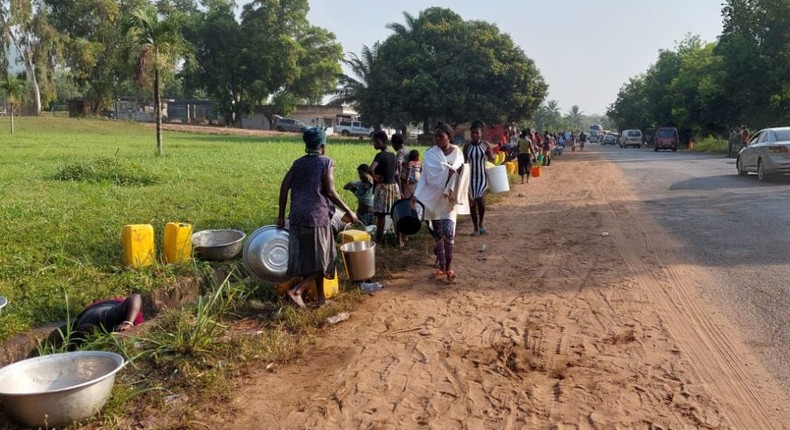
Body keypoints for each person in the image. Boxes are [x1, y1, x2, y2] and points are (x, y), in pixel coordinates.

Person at [276, 128, 358, 308]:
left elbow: (284, 187)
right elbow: (329, 191)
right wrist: (349, 211)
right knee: (324, 260)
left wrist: (281, 215)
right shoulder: (325, 162)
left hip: (297, 218)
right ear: (323, 146)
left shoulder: (298, 163)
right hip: (317, 218)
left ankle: (321, 299)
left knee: (312, 260)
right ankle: (297, 291)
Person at [414, 123, 465, 283]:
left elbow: (463, 172)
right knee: (438, 236)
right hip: (433, 198)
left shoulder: (457, 152)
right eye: (435, 136)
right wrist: (415, 195)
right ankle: (442, 268)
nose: (437, 139)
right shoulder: (430, 154)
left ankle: (448, 267)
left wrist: (455, 171)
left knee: (449, 234)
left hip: (448, 199)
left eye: (440, 136)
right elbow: (424, 177)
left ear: (449, 136)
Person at [44, 294, 144, 349]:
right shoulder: (77, 339)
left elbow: (136, 297)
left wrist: (128, 322)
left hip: (110, 305)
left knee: (136, 323)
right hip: (86, 314)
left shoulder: (107, 317)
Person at [462, 120, 495, 236]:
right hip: (470, 178)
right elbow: (464, 162)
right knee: (472, 203)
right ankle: (475, 227)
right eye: (473, 133)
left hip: (482, 177)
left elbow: (492, 159)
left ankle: (481, 224)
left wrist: (490, 154)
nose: (475, 135)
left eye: (477, 133)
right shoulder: (466, 147)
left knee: (480, 201)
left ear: (481, 134)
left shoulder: (485, 145)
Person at [369, 130, 400, 244]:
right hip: (394, 187)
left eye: (375, 142)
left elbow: (370, 169)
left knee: (381, 216)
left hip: (383, 188)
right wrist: (400, 190)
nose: (374, 145)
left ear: (380, 141)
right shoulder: (393, 155)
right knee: (395, 215)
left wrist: (375, 177)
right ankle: (399, 240)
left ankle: (379, 240)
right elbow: (397, 174)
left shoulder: (380, 155)